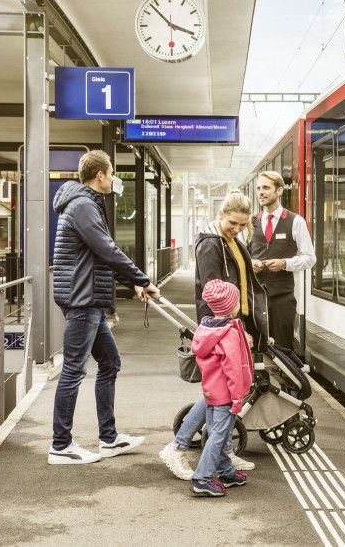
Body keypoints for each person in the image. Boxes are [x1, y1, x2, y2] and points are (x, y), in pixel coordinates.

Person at [48, 150, 159, 465]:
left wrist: (133, 284)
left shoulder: (86, 205)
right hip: (82, 300)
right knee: (73, 370)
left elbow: (99, 257)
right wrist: (143, 279)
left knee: (110, 362)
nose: (113, 180)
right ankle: (60, 446)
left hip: (89, 298)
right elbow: (108, 251)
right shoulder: (84, 206)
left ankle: (108, 439)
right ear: (101, 175)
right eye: (111, 174)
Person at [160, 190, 266, 477]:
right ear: (220, 214)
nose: (238, 229)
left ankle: (222, 455)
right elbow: (213, 292)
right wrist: (231, 330)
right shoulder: (211, 245)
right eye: (233, 222)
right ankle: (178, 447)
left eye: (243, 225)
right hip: (222, 328)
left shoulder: (230, 240)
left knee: (224, 393)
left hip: (234, 324)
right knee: (219, 394)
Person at [180, 280, 253, 496]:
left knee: (215, 432)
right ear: (231, 305)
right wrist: (238, 398)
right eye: (237, 300)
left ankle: (226, 471)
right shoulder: (228, 334)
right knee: (219, 435)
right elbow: (233, 370)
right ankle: (201, 478)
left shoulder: (206, 329)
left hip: (211, 391)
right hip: (226, 395)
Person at [249, 171, 315, 352]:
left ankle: (287, 380)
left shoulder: (296, 221)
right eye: (258, 188)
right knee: (255, 348)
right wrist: (251, 262)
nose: (260, 192)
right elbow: (240, 255)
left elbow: (310, 258)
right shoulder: (250, 223)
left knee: (283, 348)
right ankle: (259, 380)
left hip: (283, 298)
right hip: (255, 297)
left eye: (266, 188)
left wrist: (285, 263)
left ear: (279, 191)